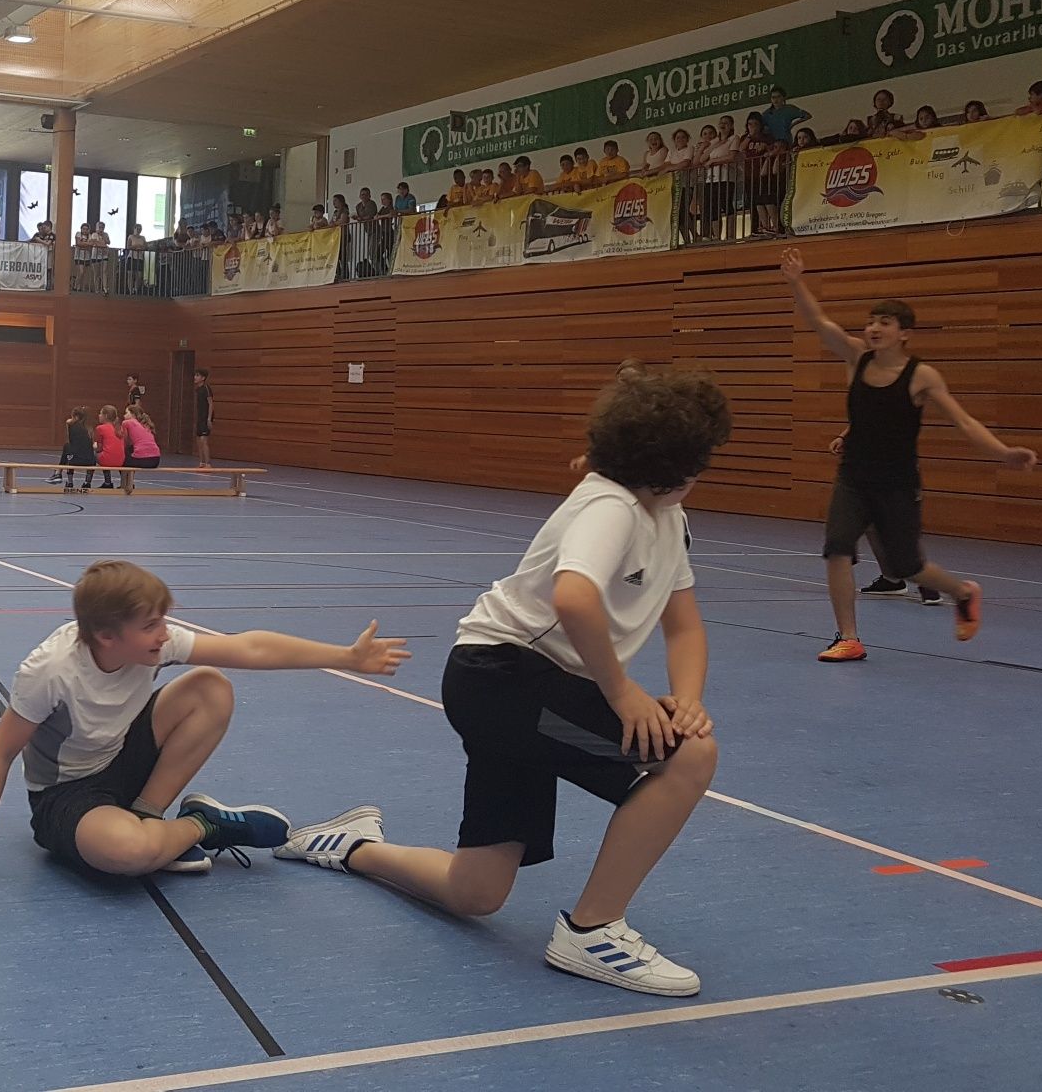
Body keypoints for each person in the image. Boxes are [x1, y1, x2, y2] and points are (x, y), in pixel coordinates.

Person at [277, 368, 733, 998]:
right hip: (507, 680)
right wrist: (624, 693)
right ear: (678, 464)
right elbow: (574, 598)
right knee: (689, 759)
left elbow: (683, 626)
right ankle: (592, 930)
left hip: (512, 692)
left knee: (476, 891)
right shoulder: (611, 507)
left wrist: (687, 700)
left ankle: (352, 845)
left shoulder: (666, 515)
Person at [0, 560, 409, 885]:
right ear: (107, 636)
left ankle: (150, 815)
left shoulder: (153, 643)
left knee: (210, 686)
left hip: (121, 754)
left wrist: (345, 656)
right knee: (127, 855)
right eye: (151, 625)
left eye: (163, 620)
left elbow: (249, 647)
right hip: (65, 794)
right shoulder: (50, 672)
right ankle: (204, 824)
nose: (164, 634)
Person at [779, 249, 1035, 661]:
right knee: (837, 547)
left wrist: (1003, 453)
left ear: (905, 333)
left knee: (906, 566)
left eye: (885, 322)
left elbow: (964, 422)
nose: (874, 328)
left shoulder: (922, 376)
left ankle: (962, 592)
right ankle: (849, 637)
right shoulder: (857, 358)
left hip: (897, 485)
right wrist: (796, 282)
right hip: (853, 479)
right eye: (871, 321)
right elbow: (819, 323)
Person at [56, 407, 98, 493]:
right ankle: (87, 482)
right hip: (89, 461)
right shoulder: (89, 429)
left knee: (68, 449)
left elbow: (68, 422)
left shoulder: (72, 426)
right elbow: (93, 445)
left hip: (74, 460)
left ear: (76, 417)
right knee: (92, 456)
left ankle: (68, 480)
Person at [122, 404, 160, 487]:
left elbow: (125, 442)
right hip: (156, 460)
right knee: (131, 452)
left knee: (123, 458)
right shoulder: (146, 424)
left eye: (126, 413)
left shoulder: (126, 422)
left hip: (143, 460)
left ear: (133, 414)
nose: (124, 415)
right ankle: (129, 483)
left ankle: (126, 484)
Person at [93, 405, 126, 490]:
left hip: (107, 459)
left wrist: (95, 447)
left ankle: (107, 482)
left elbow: (99, 448)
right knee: (109, 453)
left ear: (106, 416)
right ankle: (124, 482)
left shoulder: (100, 428)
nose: (99, 415)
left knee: (95, 454)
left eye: (100, 413)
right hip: (121, 460)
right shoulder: (119, 428)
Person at [192, 370, 214, 467]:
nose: (195, 377)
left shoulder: (206, 388)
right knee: (198, 440)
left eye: (197, 375)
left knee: (203, 440)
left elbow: (211, 404)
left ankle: (208, 463)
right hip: (200, 418)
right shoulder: (198, 389)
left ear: (203, 378)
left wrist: (209, 419)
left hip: (205, 418)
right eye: (195, 375)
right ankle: (202, 462)